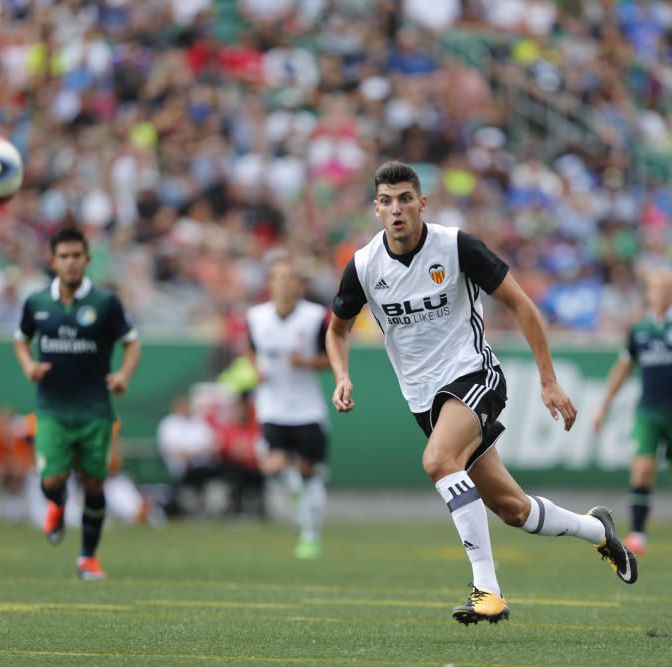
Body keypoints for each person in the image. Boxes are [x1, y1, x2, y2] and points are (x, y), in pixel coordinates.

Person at [326, 161, 637, 625]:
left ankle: (487, 590)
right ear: (376, 208)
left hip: (474, 375)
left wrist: (548, 380)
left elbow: (521, 304)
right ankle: (597, 529)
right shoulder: (365, 265)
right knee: (513, 510)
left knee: (437, 462)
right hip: (425, 400)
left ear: (421, 203)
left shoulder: (456, 246)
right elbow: (337, 331)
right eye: (387, 201)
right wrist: (341, 375)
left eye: (405, 199)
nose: (397, 210)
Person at [13, 227, 141, 580]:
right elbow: (20, 339)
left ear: (87, 260)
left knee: (94, 485)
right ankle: (56, 504)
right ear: (52, 261)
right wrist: (29, 366)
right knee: (52, 481)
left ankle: (87, 558)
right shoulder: (36, 303)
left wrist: (123, 376)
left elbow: (132, 342)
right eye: (63, 256)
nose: (70, 263)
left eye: (76, 256)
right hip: (53, 409)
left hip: (95, 411)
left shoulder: (105, 303)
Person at [592, 270, 672, 560]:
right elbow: (623, 369)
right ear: (648, 294)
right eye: (655, 289)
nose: (660, 294)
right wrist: (603, 406)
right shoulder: (639, 329)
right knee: (642, 470)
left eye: (666, 289)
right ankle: (638, 535)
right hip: (648, 411)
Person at [246, 257, 331, 559]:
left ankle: (310, 535)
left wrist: (306, 362)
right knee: (273, 465)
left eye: (289, 277)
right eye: (277, 277)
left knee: (309, 473)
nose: (283, 283)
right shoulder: (256, 317)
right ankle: (296, 485)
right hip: (273, 407)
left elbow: (330, 358)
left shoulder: (315, 317)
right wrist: (256, 368)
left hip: (307, 410)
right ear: (270, 284)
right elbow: (251, 349)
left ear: (298, 285)